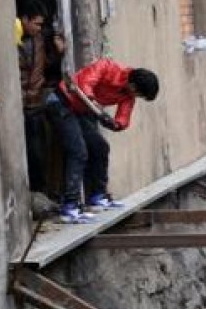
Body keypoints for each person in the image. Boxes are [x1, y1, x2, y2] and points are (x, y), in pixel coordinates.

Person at [46, 59, 159, 223]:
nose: (136, 97)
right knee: (78, 151)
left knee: (100, 147)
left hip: (80, 111)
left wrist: (114, 124)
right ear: (134, 86)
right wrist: (95, 106)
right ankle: (69, 206)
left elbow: (123, 118)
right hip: (61, 103)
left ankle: (98, 196)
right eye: (139, 94)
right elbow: (86, 83)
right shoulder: (107, 66)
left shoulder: (128, 95)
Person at [16, 0, 51, 194]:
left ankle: (40, 192)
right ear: (24, 19)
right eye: (36, 24)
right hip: (20, 106)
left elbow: (44, 66)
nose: (39, 28)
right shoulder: (13, 39)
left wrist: (58, 53)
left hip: (36, 105)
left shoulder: (39, 39)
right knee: (25, 153)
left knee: (39, 153)